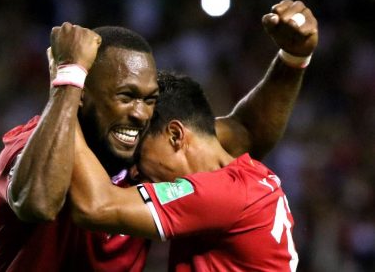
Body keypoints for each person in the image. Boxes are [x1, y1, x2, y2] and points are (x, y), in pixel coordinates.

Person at [0, 0, 318, 271]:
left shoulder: (140, 147)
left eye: (150, 99)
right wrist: (68, 80)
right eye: (127, 96)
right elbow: (39, 203)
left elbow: (244, 131)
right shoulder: (31, 144)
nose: (141, 113)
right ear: (83, 93)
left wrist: (294, 58)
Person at [70, 71, 299, 271]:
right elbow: (243, 127)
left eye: (138, 154)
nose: (134, 172)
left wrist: (67, 93)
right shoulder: (247, 178)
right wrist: (294, 57)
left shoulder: (218, 194)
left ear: (175, 135)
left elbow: (95, 207)